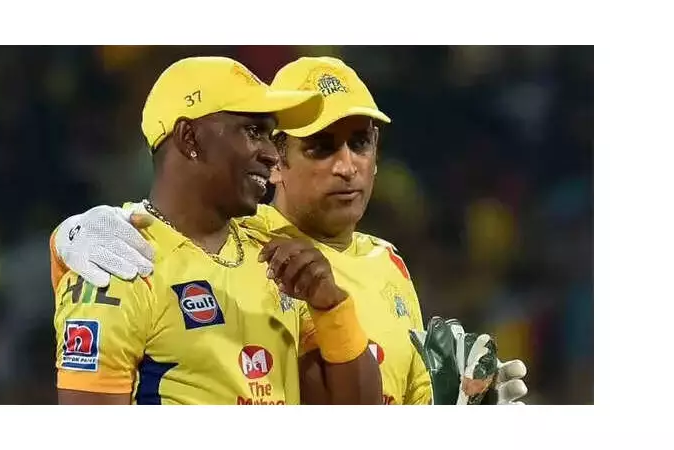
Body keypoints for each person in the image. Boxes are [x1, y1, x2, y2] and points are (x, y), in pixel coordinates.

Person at [52, 57, 527, 405]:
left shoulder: (345, 261)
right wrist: (70, 235)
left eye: (360, 143)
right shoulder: (143, 255)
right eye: (321, 146)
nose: (347, 167)